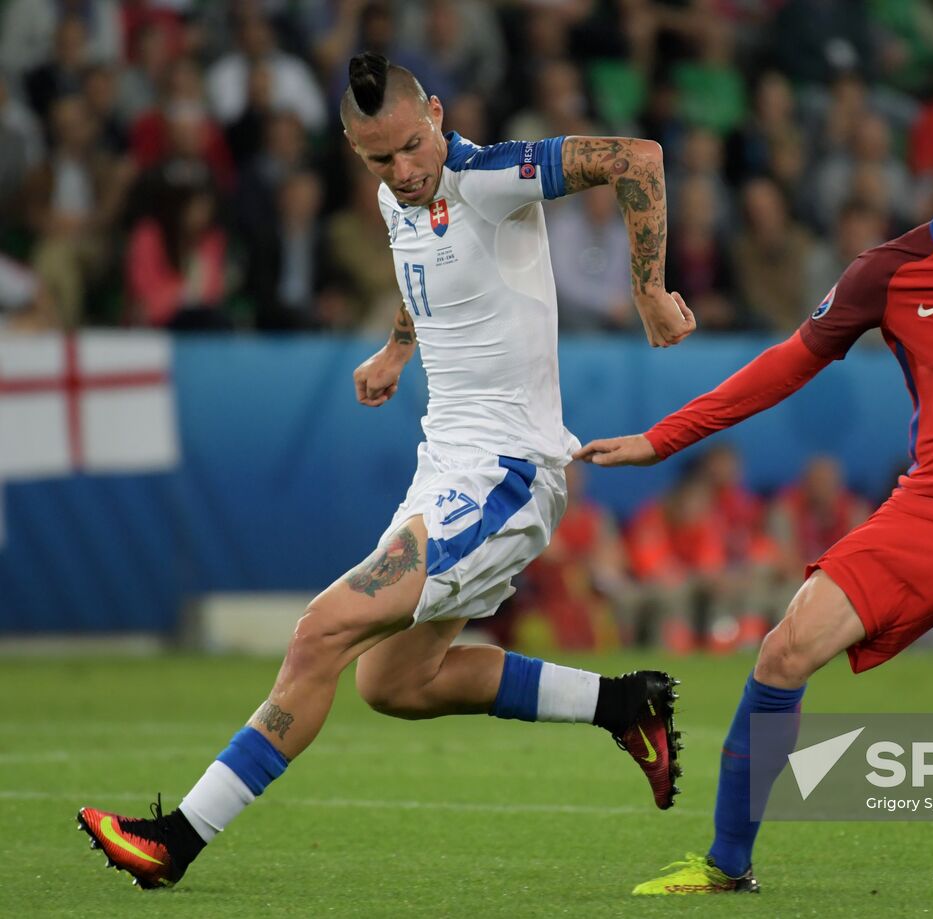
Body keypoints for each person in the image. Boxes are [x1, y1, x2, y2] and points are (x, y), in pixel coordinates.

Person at [77, 51, 696, 890]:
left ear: (437, 113)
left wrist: (649, 288)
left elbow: (638, 158)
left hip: (503, 477)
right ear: (355, 151)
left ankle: (173, 841)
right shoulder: (394, 197)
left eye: (411, 146)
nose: (403, 171)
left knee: (319, 632)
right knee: (394, 681)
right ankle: (625, 704)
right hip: (444, 469)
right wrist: (400, 346)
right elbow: (419, 263)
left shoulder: (490, 177)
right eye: (380, 158)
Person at [576, 85, 933, 893]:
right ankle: (727, 864)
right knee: (785, 649)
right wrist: (664, 438)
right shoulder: (891, 273)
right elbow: (786, 365)